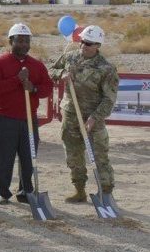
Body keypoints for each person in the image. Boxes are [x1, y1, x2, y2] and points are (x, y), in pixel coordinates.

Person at [49, 25, 118, 202]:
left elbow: (109, 99)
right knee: (73, 154)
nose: (83, 46)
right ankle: (79, 190)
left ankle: (106, 193)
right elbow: (51, 71)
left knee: (100, 156)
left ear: (97, 45)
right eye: (82, 41)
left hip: (93, 118)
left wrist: (95, 118)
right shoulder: (69, 57)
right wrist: (62, 73)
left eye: (88, 43)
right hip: (71, 115)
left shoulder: (106, 69)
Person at [0, 24, 53, 204]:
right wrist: (17, 79)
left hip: (29, 119)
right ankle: (2, 192)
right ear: (11, 41)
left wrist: (33, 88)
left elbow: (47, 88)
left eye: (27, 41)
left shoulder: (37, 65)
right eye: (20, 41)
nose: (24, 44)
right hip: (5, 118)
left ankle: (25, 191)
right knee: (4, 157)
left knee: (28, 156)